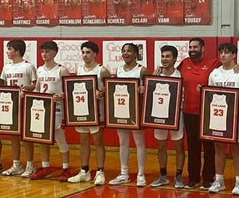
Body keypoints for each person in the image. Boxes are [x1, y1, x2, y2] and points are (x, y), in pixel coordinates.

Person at [206, 43, 239, 195]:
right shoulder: (214, 73)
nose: (223, 55)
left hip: (236, 116)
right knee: (218, 148)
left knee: (236, 148)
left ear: (234, 55)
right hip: (219, 116)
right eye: (221, 52)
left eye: (226, 53)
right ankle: (219, 180)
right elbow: (210, 94)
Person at [178, 38, 220, 188]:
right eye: (190, 47)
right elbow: (173, 78)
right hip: (188, 111)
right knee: (192, 146)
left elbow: (228, 71)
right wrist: (159, 72)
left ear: (203, 48)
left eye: (195, 47)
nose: (192, 49)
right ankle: (193, 178)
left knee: (209, 147)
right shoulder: (184, 63)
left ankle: (208, 178)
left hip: (207, 112)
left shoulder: (214, 63)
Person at [68, 41, 110, 186]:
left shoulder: (101, 70)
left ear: (95, 54)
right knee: (83, 142)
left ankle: (100, 171)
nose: (85, 55)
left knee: (98, 142)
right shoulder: (79, 70)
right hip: (82, 111)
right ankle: (84, 171)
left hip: (97, 112)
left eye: (88, 52)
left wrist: (102, 93)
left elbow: (110, 89)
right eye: (83, 52)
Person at [30, 41, 72, 181]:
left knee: (61, 139)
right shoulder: (40, 69)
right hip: (43, 110)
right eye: (42, 51)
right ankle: (45, 166)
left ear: (54, 53)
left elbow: (70, 91)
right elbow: (37, 89)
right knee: (43, 139)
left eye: (47, 51)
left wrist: (62, 97)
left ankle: (66, 168)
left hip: (57, 109)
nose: (44, 54)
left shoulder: (62, 70)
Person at [110, 43, 150, 186]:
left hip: (136, 111)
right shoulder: (119, 70)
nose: (126, 53)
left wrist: (143, 88)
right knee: (122, 142)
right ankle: (124, 173)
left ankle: (141, 173)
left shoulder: (142, 70)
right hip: (122, 110)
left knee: (139, 142)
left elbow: (151, 87)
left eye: (129, 51)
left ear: (135, 54)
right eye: (124, 51)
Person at [0, 39, 38, 178]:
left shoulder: (28, 66)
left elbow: (35, 86)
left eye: (9, 49)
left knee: (26, 136)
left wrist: (26, 88)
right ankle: (16, 164)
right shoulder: (6, 67)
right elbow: (4, 85)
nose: (7, 51)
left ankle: (30, 165)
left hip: (25, 105)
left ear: (17, 51)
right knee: (13, 135)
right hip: (11, 105)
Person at [149, 45, 186, 188]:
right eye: (163, 56)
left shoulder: (180, 75)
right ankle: (163, 175)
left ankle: (178, 176)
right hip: (159, 114)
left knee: (179, 146)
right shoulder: (156, 75)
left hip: (176, 115)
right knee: (161, 146)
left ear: (175, 59)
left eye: (168, 56)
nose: (164, 59)